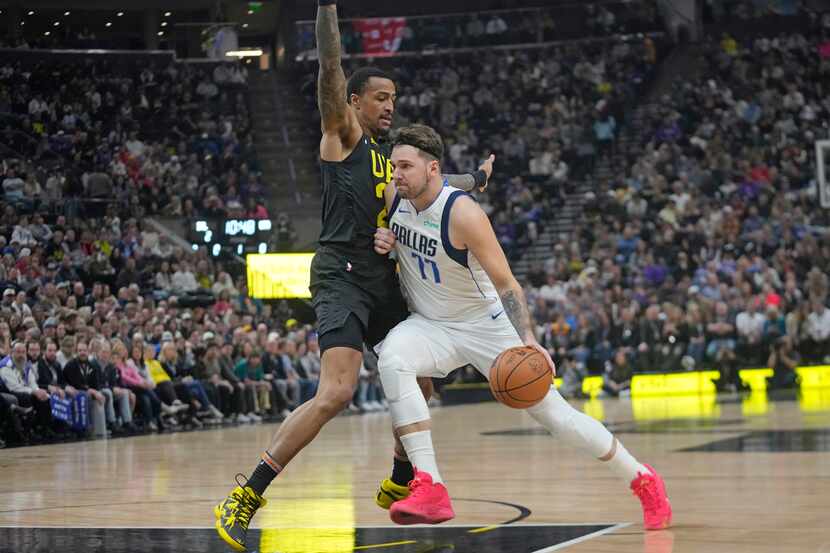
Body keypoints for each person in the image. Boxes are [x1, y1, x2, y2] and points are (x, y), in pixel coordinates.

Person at [214, 2, 493, 550]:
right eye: (381, 98)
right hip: (340, 275)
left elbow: (433, 183)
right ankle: (248, 492)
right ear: (355, 101)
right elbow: (329, 69)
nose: (390, 106)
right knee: (336, 392)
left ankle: (398, 476)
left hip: (382, 279)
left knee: (422, 376)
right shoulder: (342, 137)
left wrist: (474, 182)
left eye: (393, 98)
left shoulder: (393, 160)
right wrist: (327, 10)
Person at [371, 124, 671, 530]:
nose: (396, 174)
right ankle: (430, 485)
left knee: (558, 418)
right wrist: (385, 239)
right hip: (431, 325)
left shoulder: (463, 214)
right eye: (394, 166)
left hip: (484, 325)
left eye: (405, 166)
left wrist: (527, 339)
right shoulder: (395, 198)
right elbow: (414, 214)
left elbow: (507, 283)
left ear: (432, 168)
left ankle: (641, 478)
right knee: (393, 356)